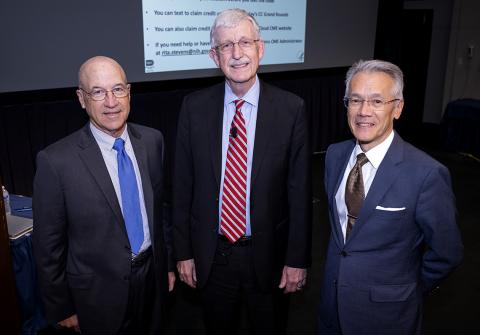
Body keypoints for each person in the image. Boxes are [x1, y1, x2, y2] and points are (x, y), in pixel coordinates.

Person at [172, 8, 312, 335]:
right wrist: (184, 252)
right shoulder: (193, 108)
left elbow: (300, 193)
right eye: (226, 46)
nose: (237, 54)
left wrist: (297, 259)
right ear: (213, 55)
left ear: (260, 49)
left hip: (270, 258)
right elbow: (182, 188)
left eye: (245, 42)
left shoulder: (291, 109)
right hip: (213, 256)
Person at [317, 59, 464, 335]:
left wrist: (407, 288)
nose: (363, 112)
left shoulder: (426, 174)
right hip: (331, 308)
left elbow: (447, 252)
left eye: (376, 102)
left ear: (397, 108)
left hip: (387, 317)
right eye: (355, 100)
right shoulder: (335, 156)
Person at [33, 56, 175, 335]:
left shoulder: (152, 141)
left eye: (118, 89)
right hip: (96, 297)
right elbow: (48, 247)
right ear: (81, 98)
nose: (111, 101)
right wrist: (62, 306)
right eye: (98, 92)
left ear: (129, 92)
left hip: (152, 281)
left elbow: (162, 211)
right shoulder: (56, 161)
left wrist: (167, 265)